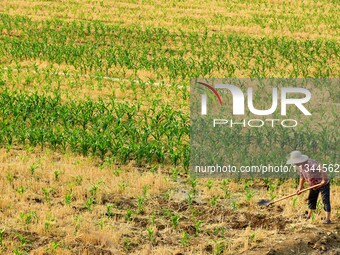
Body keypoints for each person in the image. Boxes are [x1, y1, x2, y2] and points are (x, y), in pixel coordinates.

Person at [287, 151, 331, 224]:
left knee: (325, 200)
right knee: (311, 199)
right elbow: (302, 177)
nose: (295, 164)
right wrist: (299, 187)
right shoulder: (300, 166)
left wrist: (323, 180)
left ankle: (327, 219)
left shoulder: (311, 164)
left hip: (323, 184)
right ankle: (309, 216)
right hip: (313, 184)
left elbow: (322, 168)